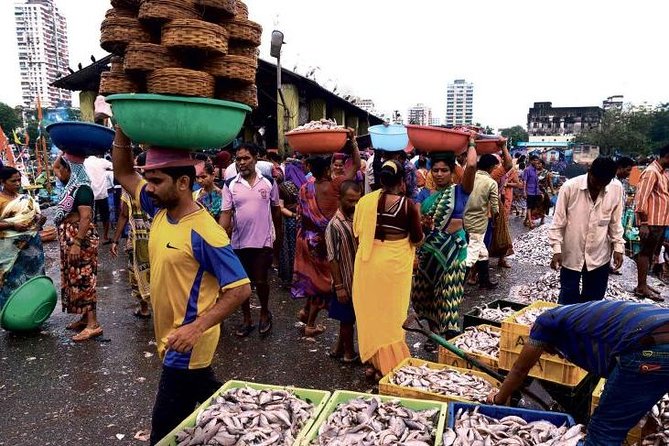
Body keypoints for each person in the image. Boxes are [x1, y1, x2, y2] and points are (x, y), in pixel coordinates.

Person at [112, 128, 251, 445]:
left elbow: (240, 289)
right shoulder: (158, 208)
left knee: (163, 431)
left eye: (157, 180)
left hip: (186, 344)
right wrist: (122, 127)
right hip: (172, 339)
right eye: (149, 179)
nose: (149, 187)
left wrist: (196, 328)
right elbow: (122, 172)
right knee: (207, 402)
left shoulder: (206, 232)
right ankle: (243, 416)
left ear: (184, 183)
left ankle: (247, 419)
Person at [486, 301, 669, 446]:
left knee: (603, 430)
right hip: (656, 333)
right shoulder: (580, 317)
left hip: (650, 348)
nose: (552, 354)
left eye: (548, 350)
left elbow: (520, 368)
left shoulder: (545, 323)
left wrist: (498, 399)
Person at [352, 160, 424, 380]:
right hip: (393, 266)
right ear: (402, 182)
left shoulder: (365, 202)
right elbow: (417, 238)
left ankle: (374, 363)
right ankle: (389, 365)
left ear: (381, 181)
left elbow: (357, 232)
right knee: (392, 315)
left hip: (368, 264)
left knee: (372, 312)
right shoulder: (408, 205)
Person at [293, 130, 361, 337]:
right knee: (324, 285)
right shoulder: (336, 185)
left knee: (313, 279)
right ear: (327, 168)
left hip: (305, 239)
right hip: (324, 241)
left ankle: (305, 312)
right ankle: (311, 324)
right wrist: (354, 144)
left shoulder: (305, 187)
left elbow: (300, 214)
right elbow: (356, 166)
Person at [413, 146, 477, 352]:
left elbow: (473, 165)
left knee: (449, 296)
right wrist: (422, 224)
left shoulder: (460, 191)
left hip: (453, 253)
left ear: (452, 172)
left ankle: (450, 339)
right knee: (427, 295)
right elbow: (415, 223)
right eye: (436, 170)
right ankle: (435, 335)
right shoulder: (423, 195)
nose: (439, 174)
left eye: (444, 170)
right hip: (428, 253)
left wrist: (472, 143)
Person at [220, 143, 281, 337]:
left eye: (246, 158)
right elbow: (226, 214)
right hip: (238, 243)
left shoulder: (269, 182)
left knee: (261, 281)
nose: (242, 162)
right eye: (238, 159)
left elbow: (276, 211)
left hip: (263, 241)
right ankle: (246, 318)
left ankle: (264, 312)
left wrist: (277, 242)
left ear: (255, 158)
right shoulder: (230, 185)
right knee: (243, 284)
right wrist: (220, 238)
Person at [548, 157, 624, 304]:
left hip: (599, 255)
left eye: (604, 183)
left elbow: (615, 221)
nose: (599, 187)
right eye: (596, 182)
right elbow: (558, 222)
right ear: (589, 172)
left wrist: (618, 247)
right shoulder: (570, 187)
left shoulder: (616, 188)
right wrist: (556, 249)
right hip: (572, 253)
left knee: (594, 301)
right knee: (568, 299)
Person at [53, 154, 102, 341]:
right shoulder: (70, 188)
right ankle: (84, 318)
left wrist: (77, 243)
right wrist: (65, 151)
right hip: (71, 238)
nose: (58, 173)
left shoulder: (82, 189)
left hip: (80, 240)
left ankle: (93, 324)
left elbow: (86, 218)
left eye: (62, 169)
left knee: (84, 279)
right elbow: (56, 165)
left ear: (70, 170)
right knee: (75, 277)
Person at [110, 152, 152, 318]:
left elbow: (123, 214)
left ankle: (144, 309)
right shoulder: (160, 185)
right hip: (158, 235)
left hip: (138, 238)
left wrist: (115, 240)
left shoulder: (131, 186)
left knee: (137, 272)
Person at [325, 180, 362, 364]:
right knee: (347, 320)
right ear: (340, 199)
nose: (354, 204)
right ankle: (349, 354)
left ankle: (340, 348)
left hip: (359, 279)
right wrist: (339, 286)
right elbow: (332, 258)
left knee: (349, 318)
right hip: (345, 281)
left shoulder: (357, 217)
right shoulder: (335, 225)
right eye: (350, 200)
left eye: (357, 200)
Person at [0, 166, 46, 308]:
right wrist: (13, 226)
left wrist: (38, 219)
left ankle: (33, 309)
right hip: (8, 249)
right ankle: (11, 312)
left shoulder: (25, 199)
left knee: (33, 277)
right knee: (11, 279)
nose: (18, 184)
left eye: (19, 180)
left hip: (31, 246)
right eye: (13, 181)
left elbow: (35, 216)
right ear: (2, 181)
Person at [635, 144, 669, 301]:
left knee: (651, 254)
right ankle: (641, 287)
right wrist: (644, 222)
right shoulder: (651, 172)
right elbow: (641, 198)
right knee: (645, 253)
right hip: (651, 221)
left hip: (660, 221)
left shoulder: (663, 173)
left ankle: (644, 283)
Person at [464, 152, 501, 289]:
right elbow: (495, 206)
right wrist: (496, 218)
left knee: (482, 252)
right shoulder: (491, 182)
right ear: (491, 167)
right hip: (478, 222)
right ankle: (458, 285)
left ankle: (484, 282)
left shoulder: (469, 177)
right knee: (472, 254)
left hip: (465, 219)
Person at [278, 158, 306, 288]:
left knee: (289, 248)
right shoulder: (305, 184)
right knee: (302, 249)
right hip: (304, 221)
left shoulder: (283, 186)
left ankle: (290, 277)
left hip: (290, 222)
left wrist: (293, 215)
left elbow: (281, 207)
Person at [84, 154, 114, 244]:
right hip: (102, 194)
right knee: (105, 217)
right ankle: (105, 237)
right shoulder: (102, 162)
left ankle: (90, 236)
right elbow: (113, 166)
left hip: (90, 194)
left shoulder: (84, 162)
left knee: (89, 217)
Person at [522, 155, 541, 228]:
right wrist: (524, 191)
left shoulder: (536, 170)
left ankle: (526, 220)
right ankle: (530, 222)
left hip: (536, 191)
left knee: (533, 207)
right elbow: (525, 181)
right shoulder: (527, 170)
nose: (536, 162)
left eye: (537, 160)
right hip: (529, 191)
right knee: (529, 207)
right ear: (531, 161)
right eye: (535, 160)